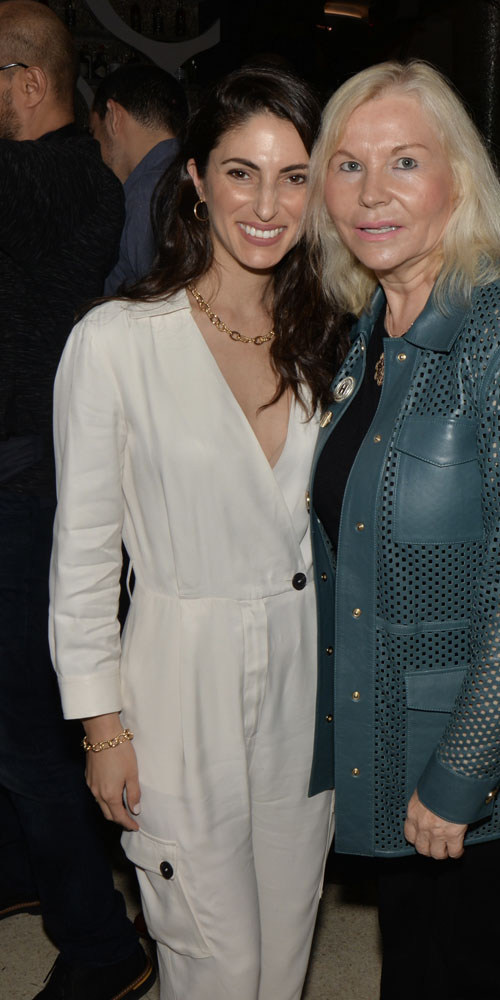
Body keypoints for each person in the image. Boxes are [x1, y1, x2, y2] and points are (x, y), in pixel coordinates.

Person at [49, 66, 349, 1000]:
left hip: (305, 688)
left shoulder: (334, 335)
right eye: (240, 172)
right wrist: (103, 730)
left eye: (294, 176)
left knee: (283, 959)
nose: (267, 204)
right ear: (195, 178)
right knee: (214, 967)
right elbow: (86, 556)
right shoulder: (116, 342)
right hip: (178, 682)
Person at [305, 60, 500, 1000]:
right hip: (390, 731)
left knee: (474, 973)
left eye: (403, 162)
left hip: (483, 760)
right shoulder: (373, 326)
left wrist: (463, 770)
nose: (371, 192)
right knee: (414, 971)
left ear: (459, 180)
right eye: (347, 166)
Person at [0, 3, 153, 998]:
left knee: (24, 728)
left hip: (27, 492)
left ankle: (100, 941)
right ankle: (31, 874)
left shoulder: (41, 181)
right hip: (38, 485)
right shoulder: (79, 183)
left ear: (22, 80)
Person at [89, 63, 189, 294]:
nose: (95, 149)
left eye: (94, 132)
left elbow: (156, 307)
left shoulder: (146, 194)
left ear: (114, 117)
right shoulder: (191, 174)